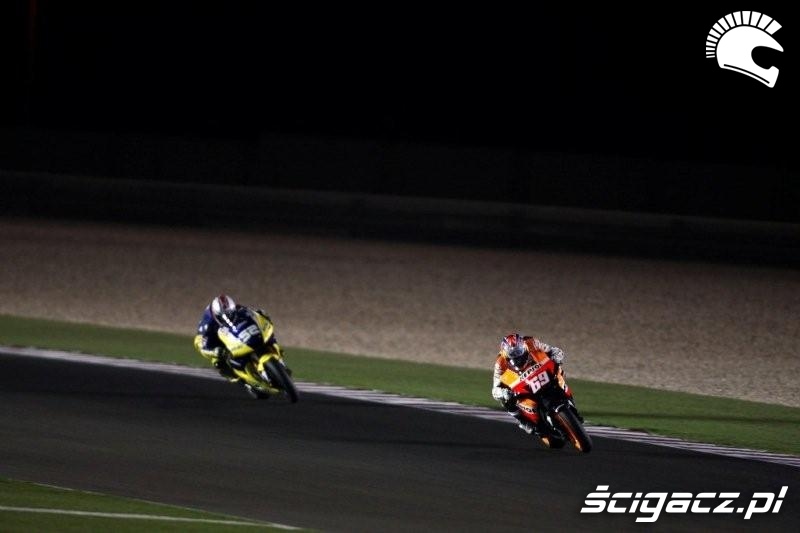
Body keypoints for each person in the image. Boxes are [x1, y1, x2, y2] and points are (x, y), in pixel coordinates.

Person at [491, 332, 571, 435]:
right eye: (513, 354)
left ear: (523, 346)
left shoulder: (531, 342)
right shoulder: (500, 362)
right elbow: (495, 389)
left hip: (540, 372)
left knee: (559, 371)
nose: (517, 356)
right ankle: (522, 421)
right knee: (506, 400)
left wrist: (556, 355)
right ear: (506, 354)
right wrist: (503, 393)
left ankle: (568, 399)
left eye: (519, 351)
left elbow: (552, 350)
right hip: (521, 382)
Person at [193, 294, 287, 381]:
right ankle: (239, 377)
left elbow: (251, 314)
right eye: (225, 316)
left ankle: (278, 357)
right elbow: (199, 343)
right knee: (218, 361)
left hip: (234, 329)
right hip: (216, 338)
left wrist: (261, 315)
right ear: (216, 315)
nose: (228, 317)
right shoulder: (208, 323)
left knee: (265, 334)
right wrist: (214, 351)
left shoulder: (235, 308)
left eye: (230, 314)